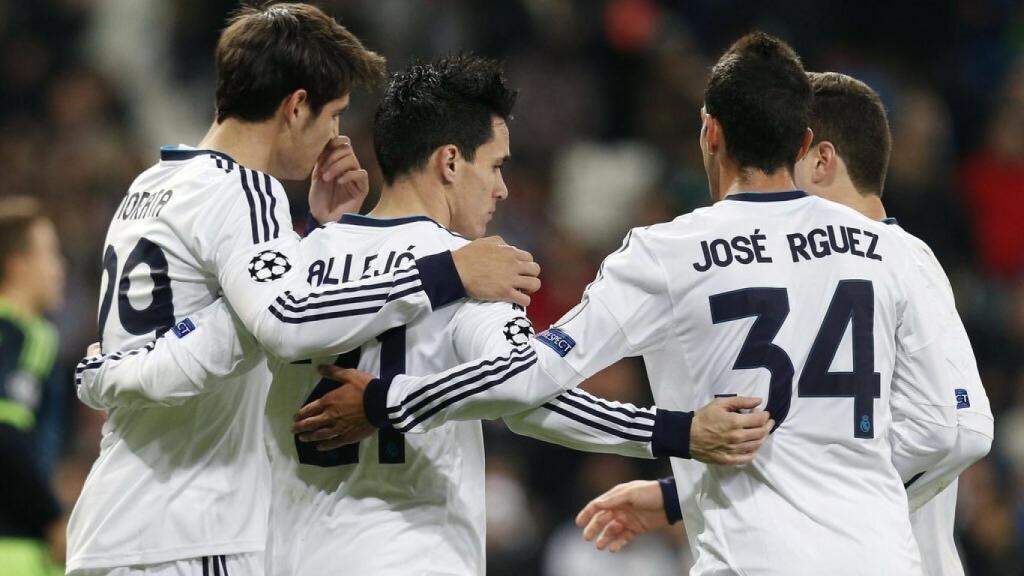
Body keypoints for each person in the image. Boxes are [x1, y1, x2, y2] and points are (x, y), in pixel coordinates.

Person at [303, 32, 975, 575]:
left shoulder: (667, 253)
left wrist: (384, 402)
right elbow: (952, 432)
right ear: (803, 144)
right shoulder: (891, 250)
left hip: (751, 557)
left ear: (710, 133)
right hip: (883, 557)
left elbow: (532, 380)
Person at [76, 54, 773, 576]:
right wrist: (678, 432)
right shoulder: (472, 268)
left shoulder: (296, 262)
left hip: (287, 555)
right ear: (448, 162)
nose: (501, 187)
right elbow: (532, 395)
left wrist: (109, 372)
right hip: (412, 552)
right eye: (494, 165)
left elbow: (218, 345)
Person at [66, 5, 541, 576]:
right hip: (192, 525)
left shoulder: (153, 183)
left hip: (114, 516)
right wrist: (448, 274)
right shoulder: (247, 192)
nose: (335, 137)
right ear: (295, 107)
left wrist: (316, 237)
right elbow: (287, 319)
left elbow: (225, 311)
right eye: (334, 114)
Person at [574, 72, 995, 576]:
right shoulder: (822, 268)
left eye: (783, 154)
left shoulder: (902, 256)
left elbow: (960, 429)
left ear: (821, 158)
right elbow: (811, 438)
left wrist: (838, 501)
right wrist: (677, 497)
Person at [0, 198, 65, 576]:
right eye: (50, 255)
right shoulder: (24, 335)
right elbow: (6, 430)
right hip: (17, 550)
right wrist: (52, 518)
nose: (60, 269)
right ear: (16, 264)